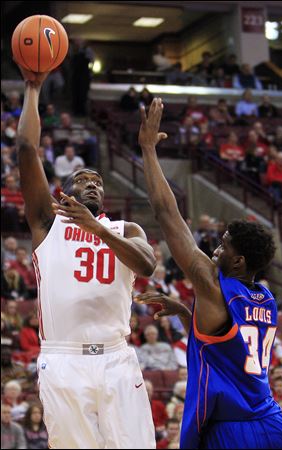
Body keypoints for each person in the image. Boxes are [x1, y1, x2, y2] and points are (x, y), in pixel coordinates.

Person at [136, 97, 282, 449]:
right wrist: (186, 314)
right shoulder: (266, 298)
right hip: (275, 423)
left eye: (223, 246)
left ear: (238, 262)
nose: (215, 250)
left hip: (235, 429)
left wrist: (148, 149)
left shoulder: (213, 285)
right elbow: (227, 346)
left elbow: (166, 213)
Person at [15, 66, 157, 449]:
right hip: (63, 360)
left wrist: (98, 231)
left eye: (98, 181)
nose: (93, 184)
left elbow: (147, 265)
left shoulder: (126, 229)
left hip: (116, 358)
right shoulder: (47, 222)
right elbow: (27, 149)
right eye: (83, 179)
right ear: (64, 191)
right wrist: (33, 87)